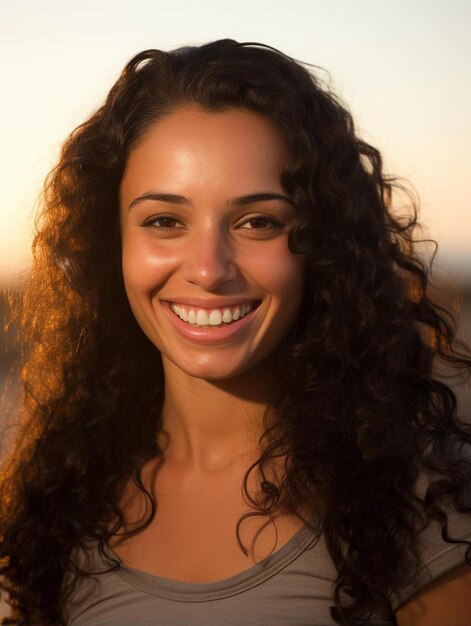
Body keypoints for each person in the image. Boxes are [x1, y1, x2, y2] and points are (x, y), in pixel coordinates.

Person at [0, 39, 470, 626]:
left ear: (320, 248)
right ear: (110, 244)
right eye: (165, 221)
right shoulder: (60, 497)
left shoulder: (423, 505)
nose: (207, 268)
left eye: (258, 222)